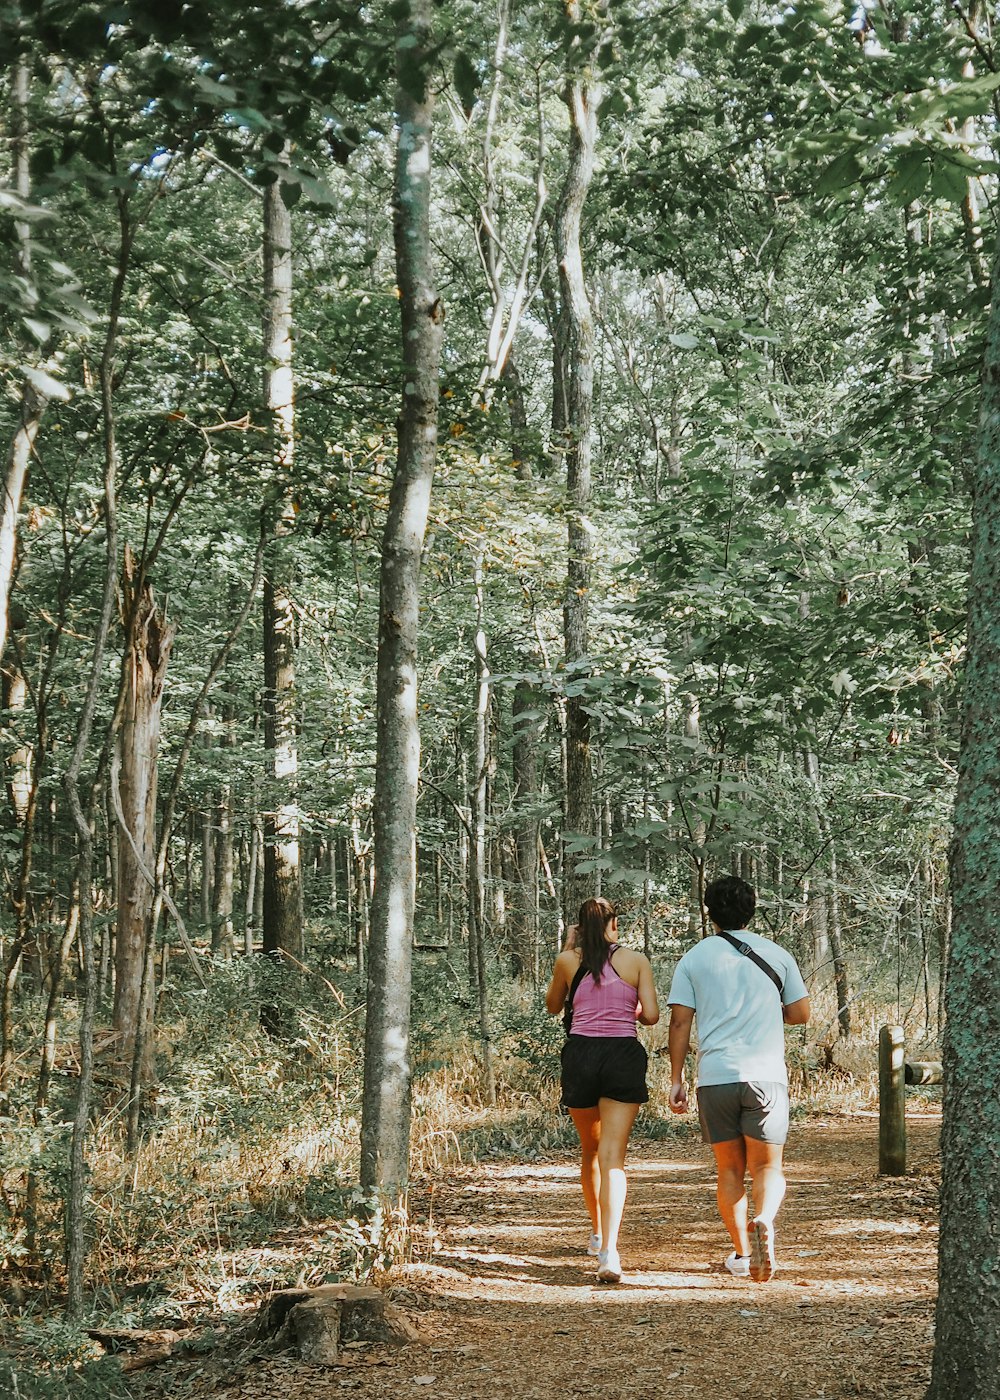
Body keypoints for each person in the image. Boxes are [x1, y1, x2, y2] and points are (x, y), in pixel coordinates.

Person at [667, 875, 810, 1283]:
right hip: (765, 1076)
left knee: (729, 1171)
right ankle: (764, 1218)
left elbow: (679, 1024)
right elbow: (800, 1013)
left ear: (709, 910)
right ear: (752, 908)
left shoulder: (694, 957)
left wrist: (675, 1078)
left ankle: (743, 1255)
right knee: (768, 1167)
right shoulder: (776, 954)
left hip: (715, 1078)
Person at [546, 896, 659, 1283]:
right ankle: (610, 1251)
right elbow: (652, 1016)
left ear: (578, 927)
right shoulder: (636, 960)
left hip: (580, 1056)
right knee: (613, 1157)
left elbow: (552, 1006)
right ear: (613, 925)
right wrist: (627, 1007)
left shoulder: (567, 961)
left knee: (590, 1150)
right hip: (622, 1056)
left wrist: (566, 949)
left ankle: (597, 1233)